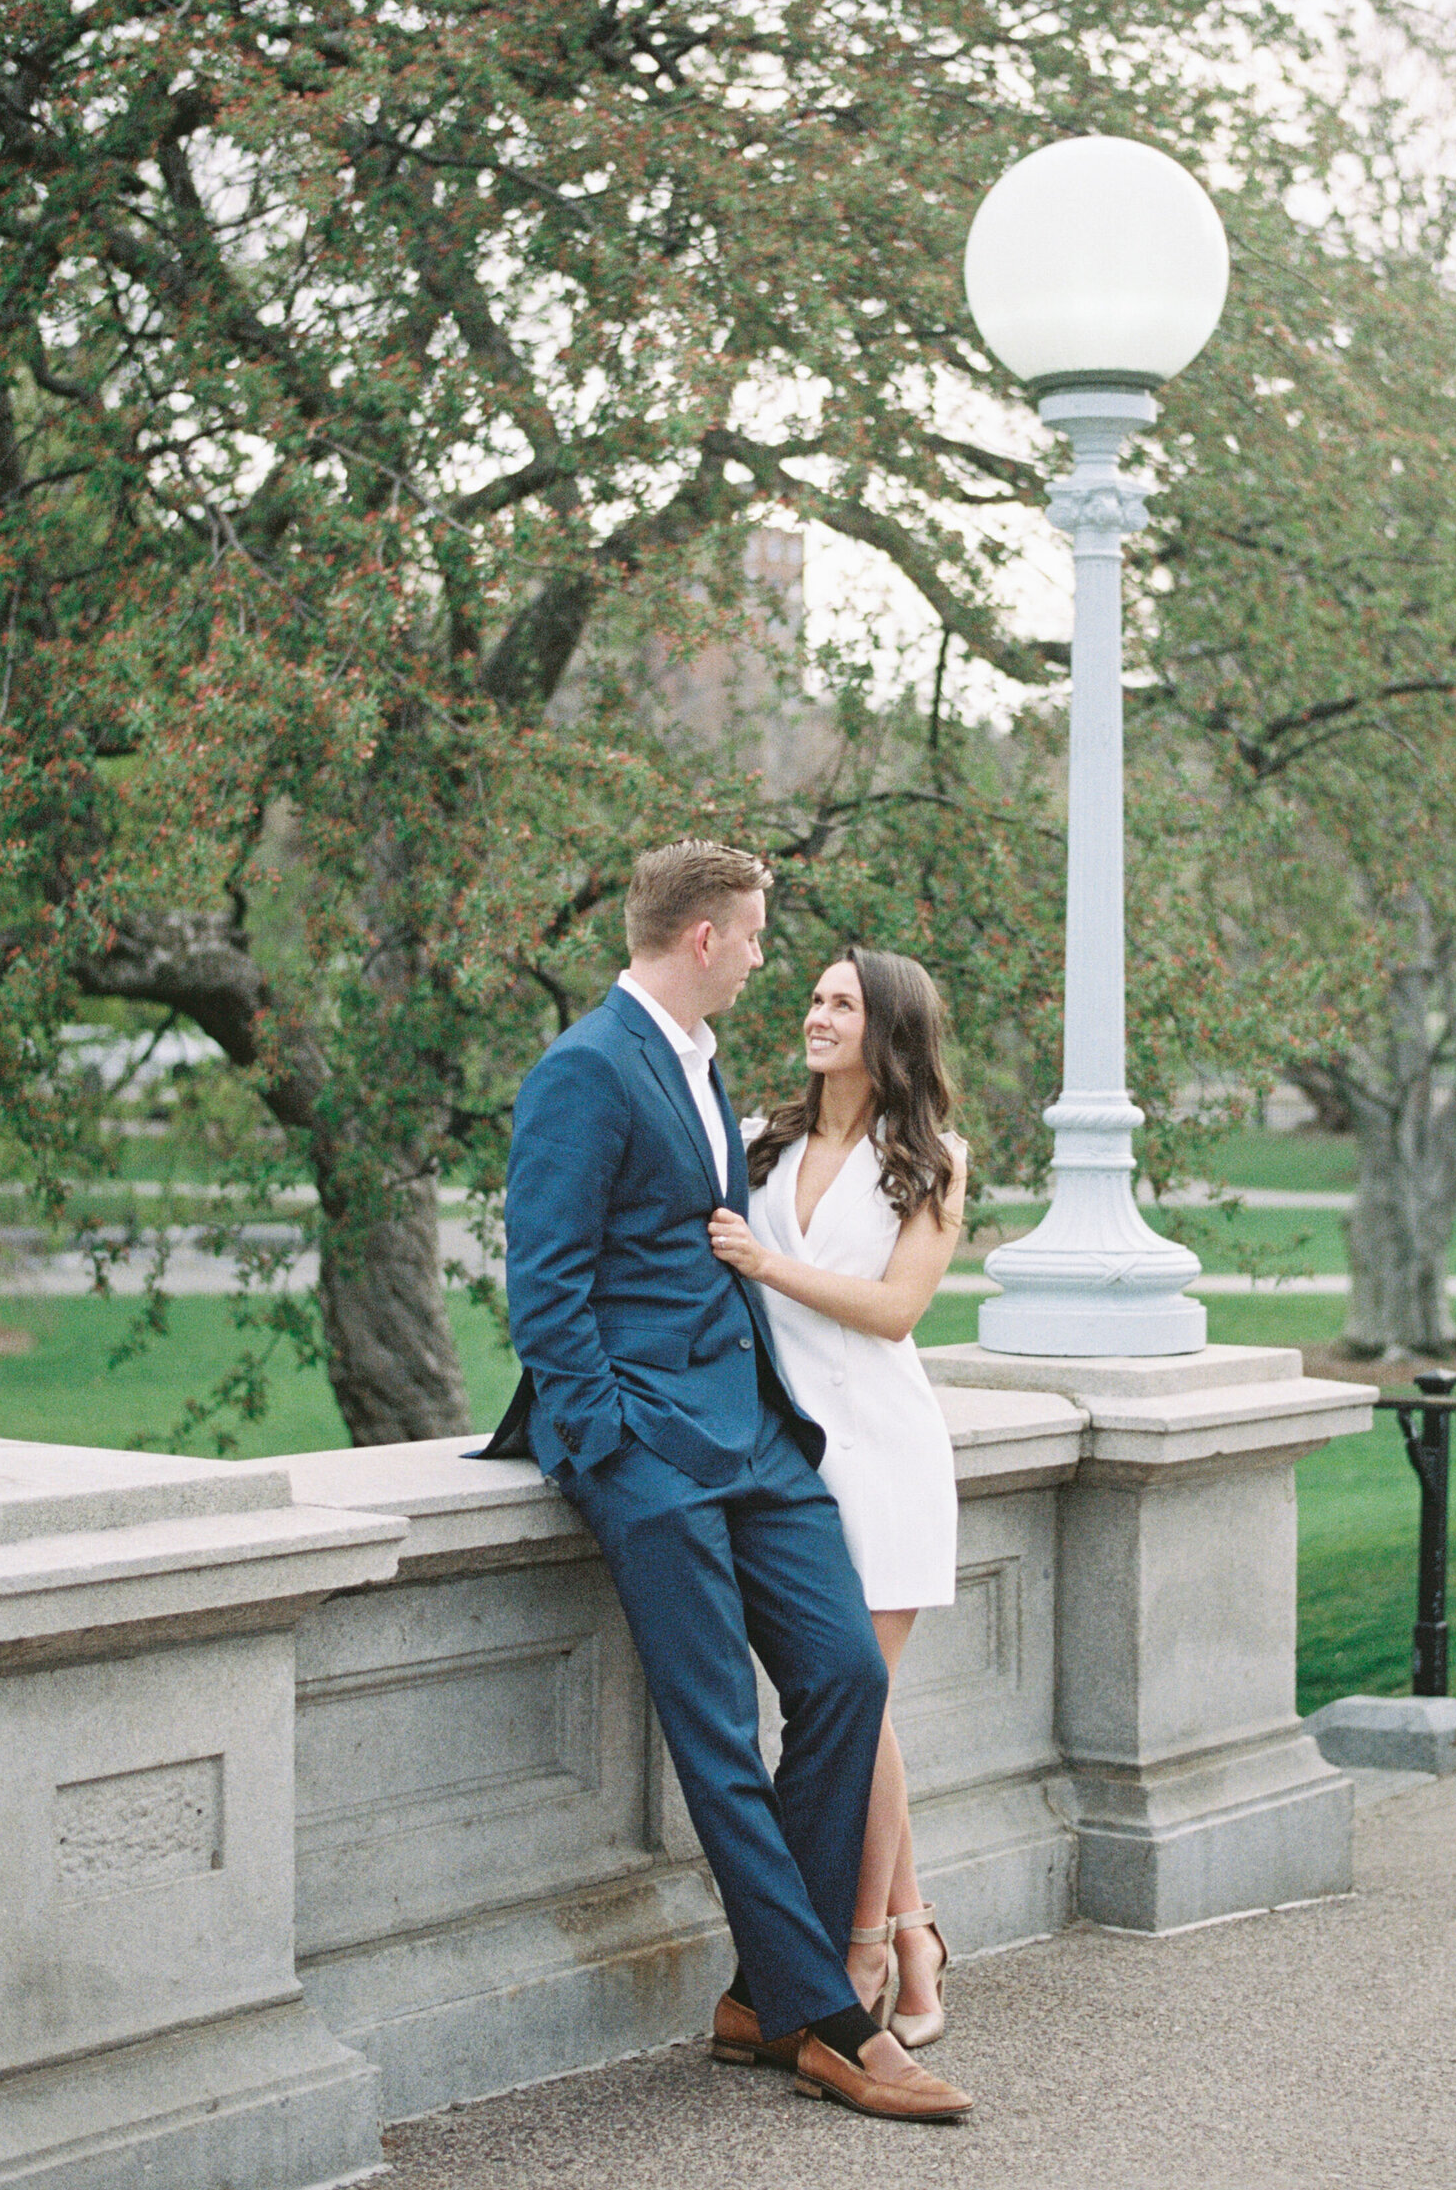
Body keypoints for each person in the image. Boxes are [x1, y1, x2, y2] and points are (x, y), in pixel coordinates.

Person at [477, 843, 972, 2124]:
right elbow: (546, 1281)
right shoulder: (586, 1067)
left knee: (847, 1678)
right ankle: (828, 2022)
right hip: (648, 1454)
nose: (766, 961)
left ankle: (763, 1989)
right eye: (755, 938)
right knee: (715, 1736)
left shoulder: (704, 1071)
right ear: (705, 937)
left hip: (756, 1437)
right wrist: (604, 1449)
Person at [706, 948, 965, 2050]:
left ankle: (865, 1941)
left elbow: (897, 1309)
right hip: (783, 1462)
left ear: (888, 1027)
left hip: (885, 1454)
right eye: (813, 998)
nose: (816, 1015)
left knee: (859, 1704)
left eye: (842, 1004)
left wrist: (765, 1269)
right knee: (852, 1705)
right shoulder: (763, 1139)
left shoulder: (934, 1160)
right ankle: (913, 1934)